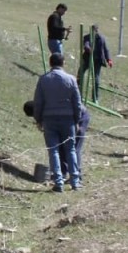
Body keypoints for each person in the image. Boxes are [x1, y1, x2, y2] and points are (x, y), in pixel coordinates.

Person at [31, 52, 83, 192]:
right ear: (63, 63)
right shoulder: (71, 79)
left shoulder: (43, 79)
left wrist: (38, 119)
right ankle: (75, 181)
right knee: (70, 149)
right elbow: (77, 103)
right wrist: (77, 120)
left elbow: (38, 102)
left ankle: (58, 181)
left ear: (50, 63)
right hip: (68, 119)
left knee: (53, 150)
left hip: (49, 119)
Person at [79, 24, 113, 102]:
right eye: (93, 30)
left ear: (97, 30)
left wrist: (109, 60)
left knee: (96, 79)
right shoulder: (86, 37)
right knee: (80, 73)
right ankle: (78, 94)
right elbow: (86, 44)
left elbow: (106, 49)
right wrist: (88, 49)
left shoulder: (101, 38)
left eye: (96, 30)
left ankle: (95, 98)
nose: (94, 32)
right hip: (87, 59)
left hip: (97, 61)